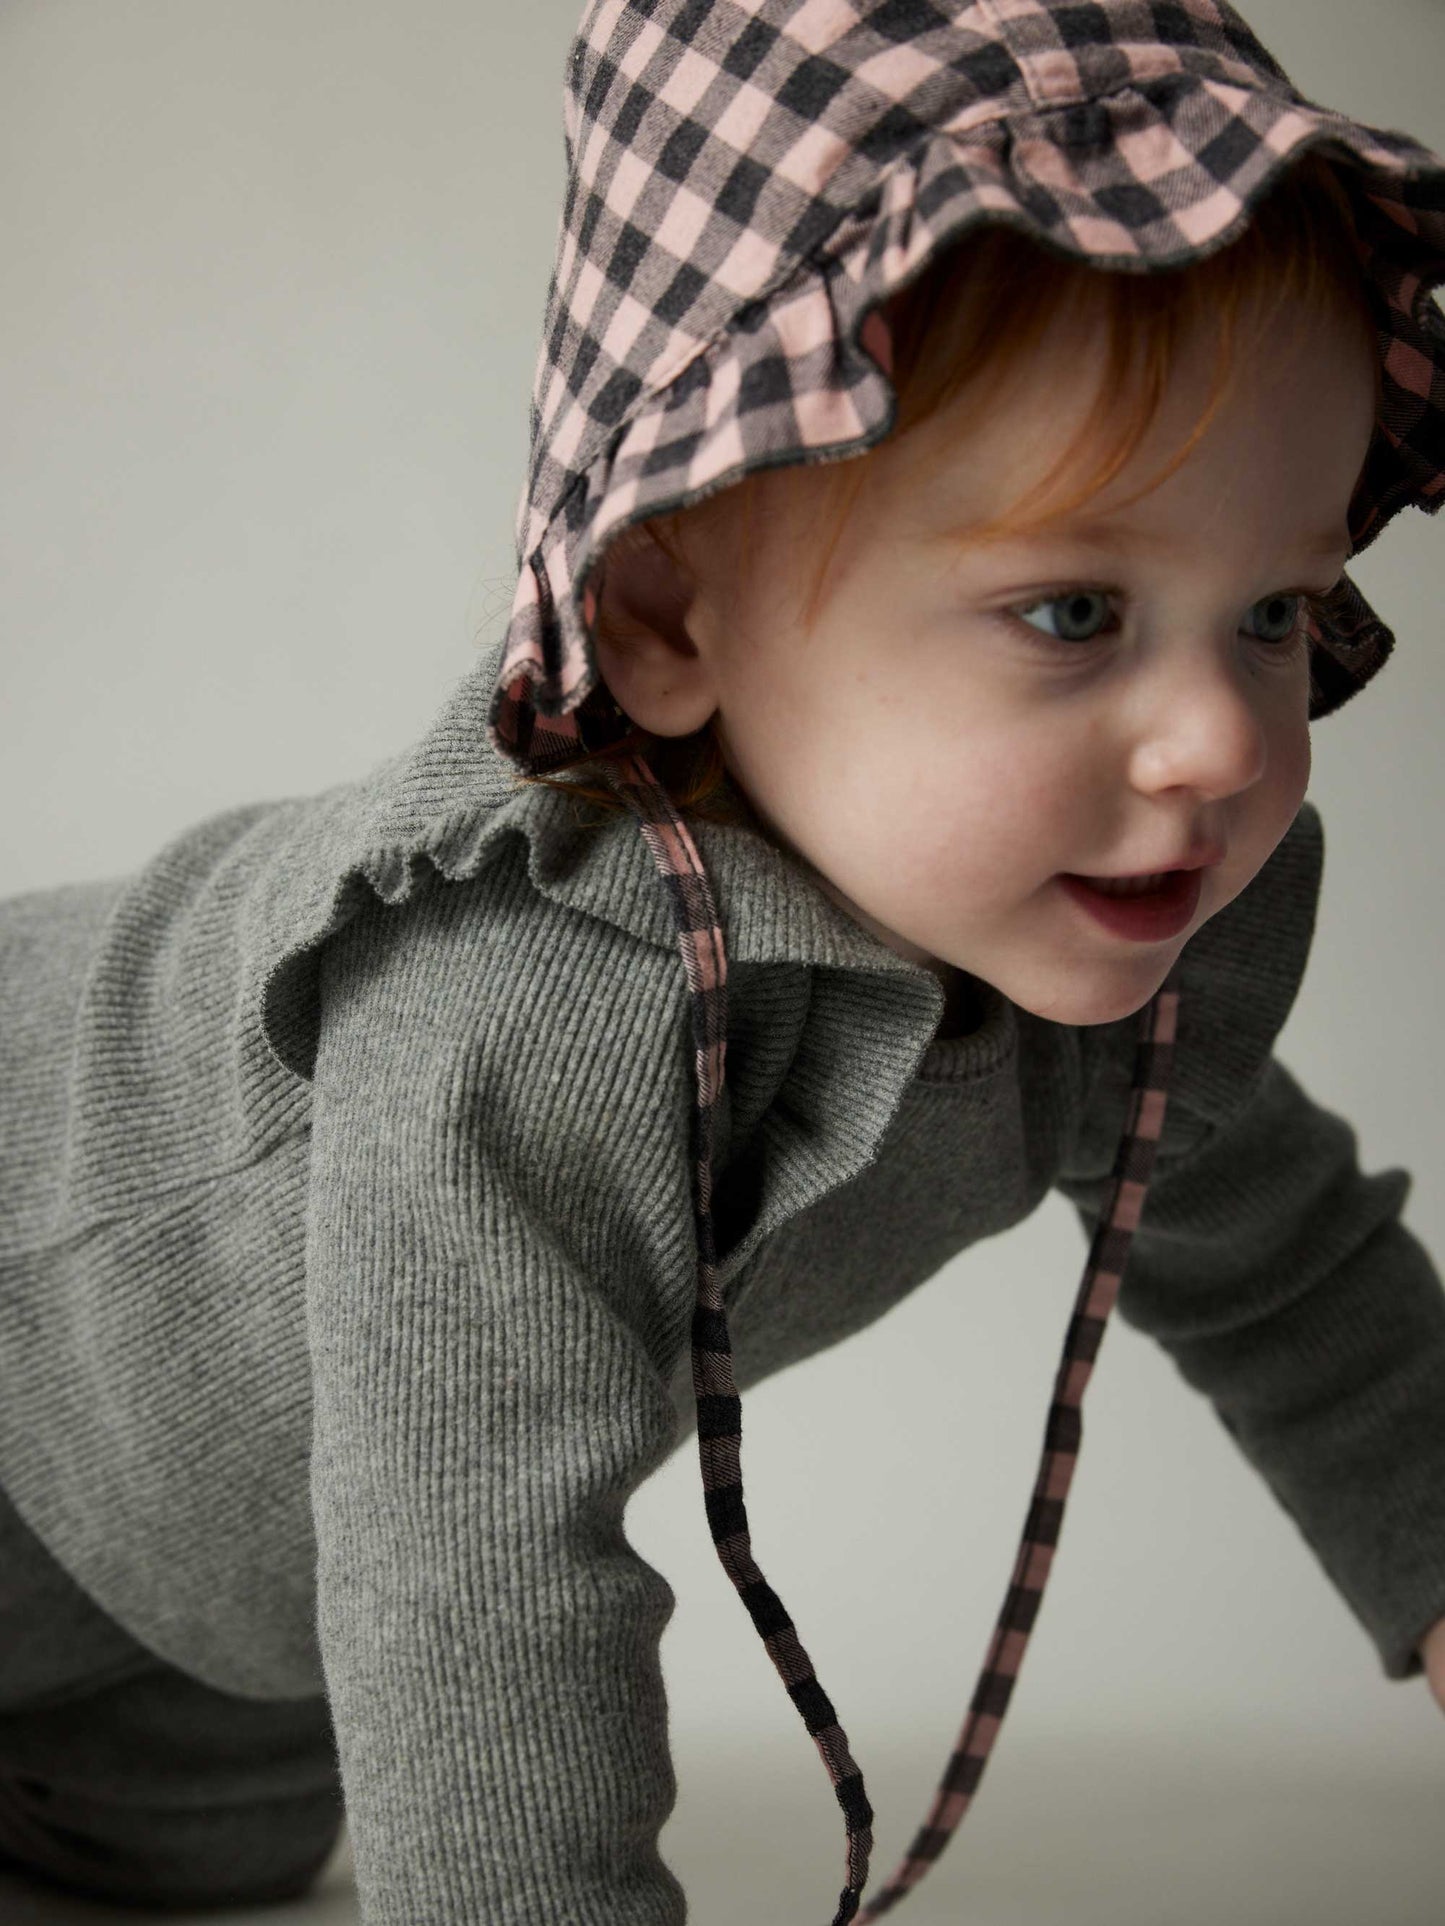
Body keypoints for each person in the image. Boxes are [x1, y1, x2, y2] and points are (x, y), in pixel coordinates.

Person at [2, 2, 1445, 1920]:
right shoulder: (525, 995)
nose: (1220, 743)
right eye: (1074, 609)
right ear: (667, 612)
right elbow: (485, 1574)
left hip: (216, 1616)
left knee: (197, 1864)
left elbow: (1284, 1267)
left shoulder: (1097, 929)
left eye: (1272, 611)